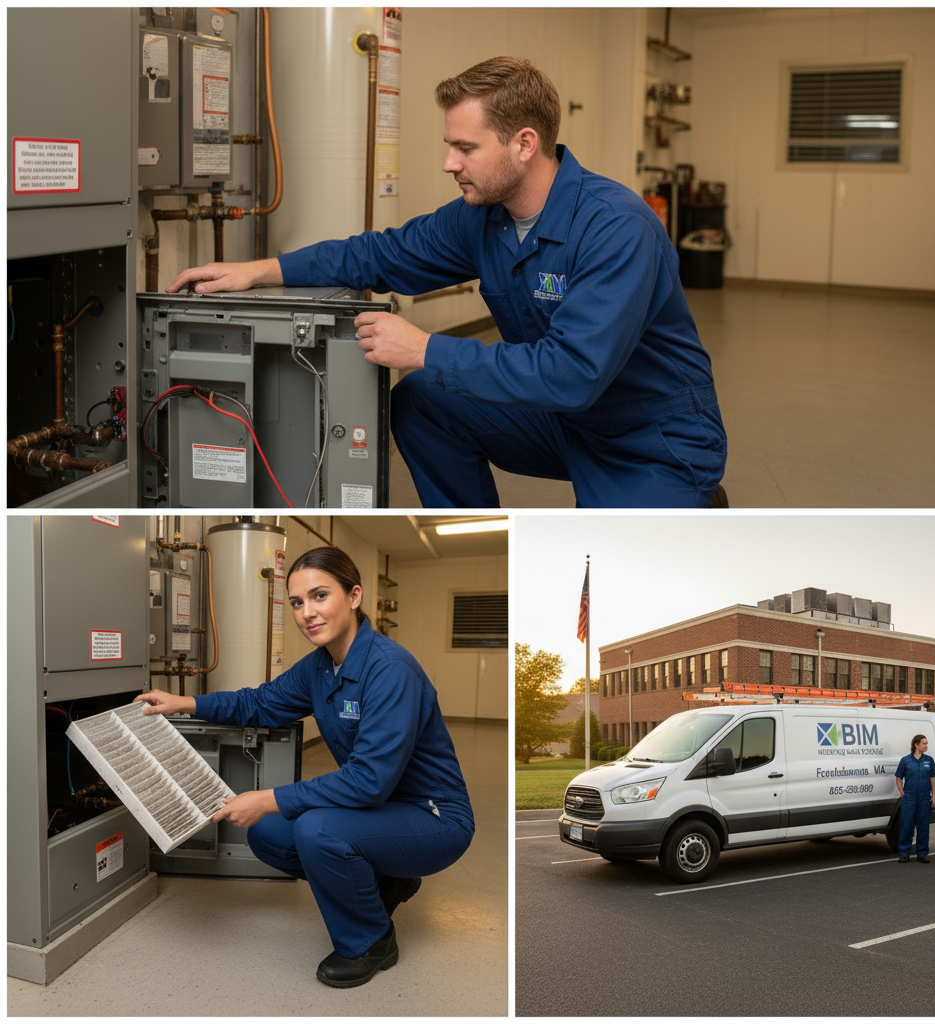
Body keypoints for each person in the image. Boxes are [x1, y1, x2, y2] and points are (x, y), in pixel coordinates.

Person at [166, 56, 727, 509]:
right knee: (423, 400)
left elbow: (572, 374)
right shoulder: (483, 215)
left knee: (610, 554)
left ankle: (690, 502)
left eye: (465, 148)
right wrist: (259, 270)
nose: (448, 164)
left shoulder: (616, 226)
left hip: (650, 438)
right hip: (566, 424)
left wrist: (425, 347)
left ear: (524, 144)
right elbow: (380, 253)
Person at [134, 546, 475, 987]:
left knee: (317, 831)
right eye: (297, 602)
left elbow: (368, 781)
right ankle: (388, 881)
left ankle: (371, 941)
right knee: (269, 834)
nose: (307, 613)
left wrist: (268, 798)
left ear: (353, 596)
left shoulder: (390, 669)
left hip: (434, 816)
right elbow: (259, 702)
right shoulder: (320, 666)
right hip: (382, 810)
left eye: (319, 596)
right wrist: (186, 702)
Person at [894, 733, 935, 863]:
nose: (926, 746)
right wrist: (902, 793)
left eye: (927, 743)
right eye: (924, 743)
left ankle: (922, 853)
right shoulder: (906, 760)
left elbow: (933, 778)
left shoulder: (929, 760)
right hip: (910, 797)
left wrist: (934, 795)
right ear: (916, 744)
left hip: (924, 797)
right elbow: (898, 777)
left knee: (923, 826)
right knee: (906, 825)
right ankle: (904, 853)